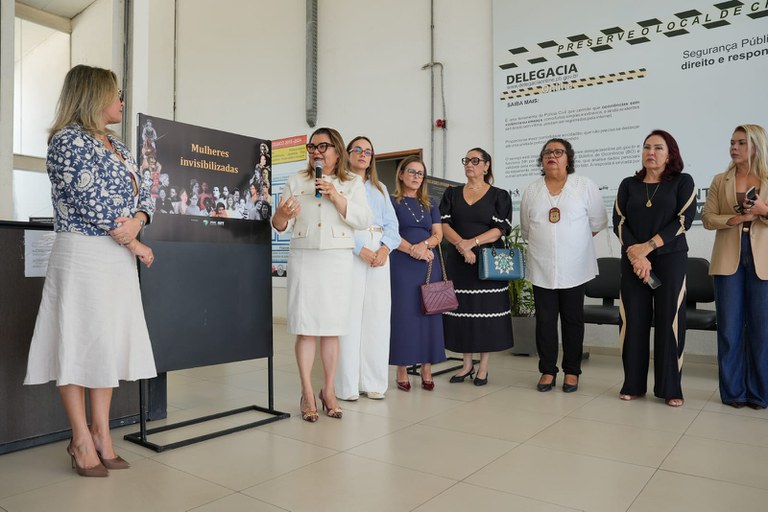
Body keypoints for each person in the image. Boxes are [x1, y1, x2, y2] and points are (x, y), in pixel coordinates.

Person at [24, 65, 157, 477]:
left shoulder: (116, 144)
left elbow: (147, 187)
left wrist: (139, 219)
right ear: (94, 96)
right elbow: (87, 201)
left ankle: (102, 433)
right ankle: (80, 437)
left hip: (116, 257)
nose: (121, 101)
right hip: (83, 253)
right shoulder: (66, 141)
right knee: (76, 340)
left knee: (107, 342)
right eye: (116, 94)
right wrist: (133, 240)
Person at [271, 127, 370, 422]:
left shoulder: (351, 182)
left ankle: (328, 390)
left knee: (331, 328)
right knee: (305, 328)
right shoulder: (296, 180)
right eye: (311, 147)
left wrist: (336, 196)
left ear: (337, 151)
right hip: (304, 258)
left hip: (336, 260)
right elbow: (278, 224)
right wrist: (282, 217)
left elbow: (363, 219)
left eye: (323, 146)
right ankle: (307, 392)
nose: (316, 151)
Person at [613, 130, 696, 407]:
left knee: (668, 322)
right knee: (633, 321)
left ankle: (670, 387)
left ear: (670, 153)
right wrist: (637, 256)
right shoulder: (628, 185)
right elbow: (620, 222)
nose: (651, 152)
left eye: (658, 148)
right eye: (647, 147)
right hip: (634, 262)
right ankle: (633, 384)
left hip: (670, 259)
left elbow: (683, 220)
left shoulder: (683, 182)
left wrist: (646, 248)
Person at [520, 138, 608, 393]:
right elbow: (527, 230)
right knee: (545, 322)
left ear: (568, 158)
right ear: (542, 159)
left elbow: (597, 222)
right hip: (542, 266)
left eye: (558, 152)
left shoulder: (584, 185)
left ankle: (572, 371)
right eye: (547, 152)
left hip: (575, 267)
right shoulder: (532, 190)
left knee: (573, 320)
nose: (552, 156)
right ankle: (548, 370)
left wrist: (573, 243)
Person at [702, 124, 768, 410]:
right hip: (728, 256)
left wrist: (763, 210)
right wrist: (734, 219)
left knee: (762, 330)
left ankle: (759, 393)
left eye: (741, 142)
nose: (734, 147)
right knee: (729, 328)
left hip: (762, 258)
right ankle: (733, 393)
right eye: (732, 142)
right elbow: (707, 218)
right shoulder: (720, 179)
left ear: (755, 146)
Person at [440, 147, 514, 386]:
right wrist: (462, 246)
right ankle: (466, 365)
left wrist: (472, 243)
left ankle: (483, 368)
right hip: (458, 262)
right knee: (462, 312)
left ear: (486, 165)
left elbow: (499, 231)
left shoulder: (499, 195)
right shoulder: (451, 194)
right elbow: (443, 225)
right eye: (466, 160)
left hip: (488, 262)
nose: (469, 164)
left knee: (485, 312)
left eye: (475, 160)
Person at [336, 136, 400, 401]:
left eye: (368, 151)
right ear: (348, 154)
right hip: (352, 249)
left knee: (377, 317)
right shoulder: (339, 184)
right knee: (349, 317)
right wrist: (359, 248)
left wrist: (385, 248)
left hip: (380, 252)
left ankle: (373, 382)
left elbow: (392, 225)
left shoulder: (380, 188)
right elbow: (338, 222)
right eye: (358, 150)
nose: (363, 154)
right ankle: (347, 386)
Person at [389, 156, 446, 390]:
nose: (416, 176)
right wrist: (414, 250)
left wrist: (425, 247)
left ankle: (427, 366)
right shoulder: (391, 202)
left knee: (429, 314)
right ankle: (401, 368)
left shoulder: (431, 202)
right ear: (401, 175)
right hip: (401, 264)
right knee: (403, 315)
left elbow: (438, 235)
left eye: (420, 173)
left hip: (428, 264)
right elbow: (389, 233)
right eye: (411, 172)